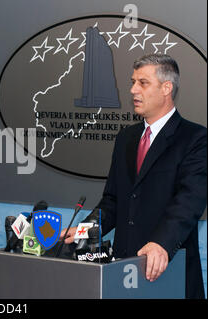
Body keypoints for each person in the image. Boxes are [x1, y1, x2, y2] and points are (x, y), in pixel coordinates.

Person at [60, 53, 206, 299]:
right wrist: (85, 231)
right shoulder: (126, 139)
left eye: (143, 83)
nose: (133, 90)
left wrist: (161, 243)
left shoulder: (195, 139)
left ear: (166, 88)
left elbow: (188, 203)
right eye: (133, 82)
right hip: (122, 270)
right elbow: (112, 201)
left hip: (168, 270)